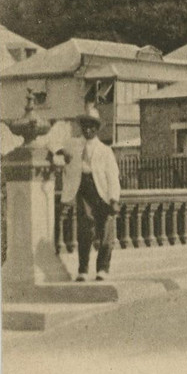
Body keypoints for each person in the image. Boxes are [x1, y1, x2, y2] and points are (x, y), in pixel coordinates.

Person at [60, 107, 121, 282]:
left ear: (96, 129)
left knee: (105, 231)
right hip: (83, 189)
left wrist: (114, 198)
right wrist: (59, 155)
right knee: (85, 229)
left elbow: (112, 177)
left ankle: (103, 268)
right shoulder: (72, 145)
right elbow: (57, 152)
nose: (88, 130)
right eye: (85, 126)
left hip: (101, 191)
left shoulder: (104, 150)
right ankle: (83, 269)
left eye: (91, 127)